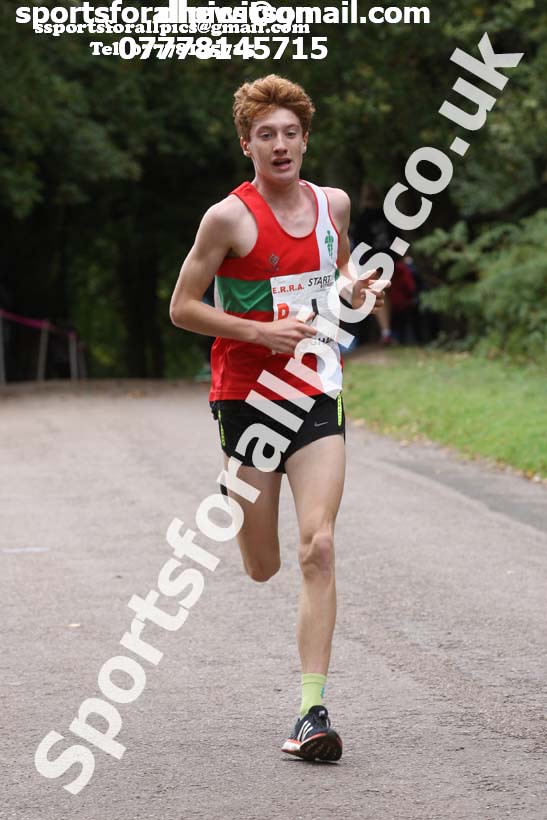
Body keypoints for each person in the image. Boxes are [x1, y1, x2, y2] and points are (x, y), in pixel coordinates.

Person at [170, 75, 387, 762]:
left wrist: (354, 289)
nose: (280, 144)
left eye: (291, 132)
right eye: (266, 134)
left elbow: (338, 271)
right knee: (262, 565)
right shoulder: (227, 220)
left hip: (316, 389)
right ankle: (237, 494)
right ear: (248, 145)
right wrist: (257, 332)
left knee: (318, 546)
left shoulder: (332, 204)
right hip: (247, 400)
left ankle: (310, 712)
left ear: (305, 139)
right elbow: (182, 307)